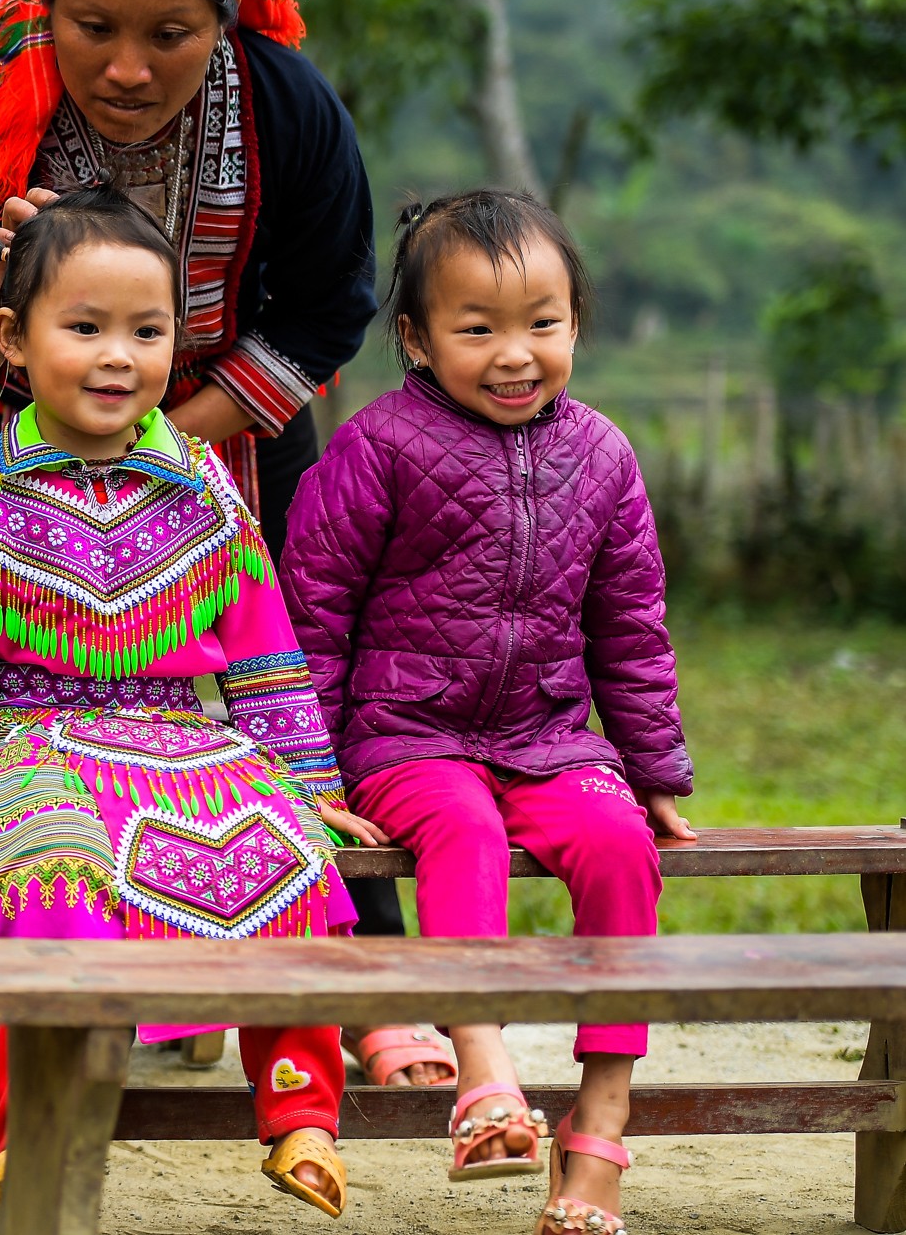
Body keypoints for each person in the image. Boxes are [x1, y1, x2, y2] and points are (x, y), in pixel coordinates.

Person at [0, 0, 446, 1085]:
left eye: (169, 34)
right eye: (93, 28)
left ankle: (357, 983)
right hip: (8, 459)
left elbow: (331, 303)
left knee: (298, 675)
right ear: (41, 3)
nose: (127, 68)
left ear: (222, 25)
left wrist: (174, 436)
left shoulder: (286, 105)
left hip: (224, 429)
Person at [0, 187, 383, 1219]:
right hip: (30, 742)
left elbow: (261, 646)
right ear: (12, 337)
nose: (115, 356)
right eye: (83, 327)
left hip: (188, 741)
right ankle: (32, 1134)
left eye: (144, 331)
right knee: (47, 883)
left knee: (281, 855)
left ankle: (300, 1113)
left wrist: (307, 782)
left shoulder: (205, 493)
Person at [282, 190, 697, 1235]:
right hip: (405, 736)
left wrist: (651, 768)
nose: (515, 353)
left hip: (549, 735)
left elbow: (630, 624)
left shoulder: (602, 456)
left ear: (574, 322)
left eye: (541, 324)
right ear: (417, 339)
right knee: (460, 831)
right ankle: (484, 1073)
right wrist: (312, 770)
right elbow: (315, 612)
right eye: (477, 329)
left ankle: (600, 1114)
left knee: (616, 845)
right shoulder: (376, 448)